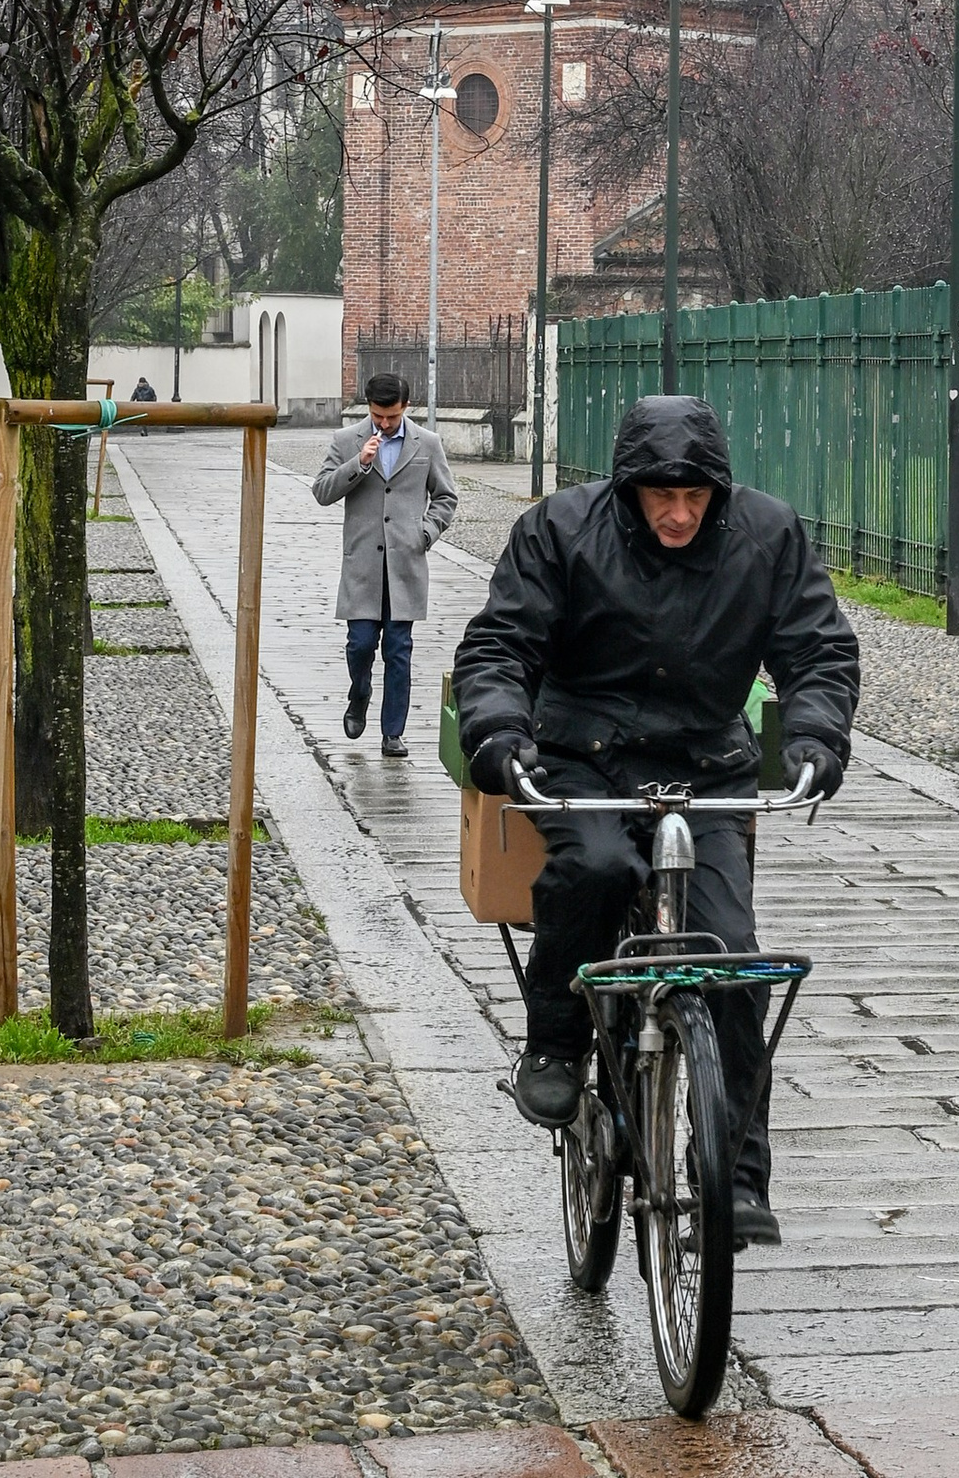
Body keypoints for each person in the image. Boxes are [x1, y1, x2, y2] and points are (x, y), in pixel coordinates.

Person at [452, 390, 858, 1247]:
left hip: (706, 762)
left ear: (719, 489)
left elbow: (817, 647)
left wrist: (818, 734)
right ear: (627, 487)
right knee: (595, 869)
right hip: (585, 755)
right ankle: (557, 1040)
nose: (678, 514)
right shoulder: (558, 531)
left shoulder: (768, 535)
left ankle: (739, 1178)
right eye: (659, 496)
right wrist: (496, 729)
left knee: (733, 958)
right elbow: (501, 644)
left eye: (694, 497)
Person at [314, 367, 458, 758]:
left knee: (399, 650)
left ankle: (393, 731)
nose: (384, 423)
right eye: (378, 415)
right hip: (362, 565)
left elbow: (446, 497)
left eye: (392, 416)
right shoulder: (347, 440)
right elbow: (322, 492)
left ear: (405, 407)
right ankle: (359, 691)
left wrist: (424, 533)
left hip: (405, 565)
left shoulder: (427, 443)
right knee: (360, 644)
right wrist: (358, 463)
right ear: (369, 408)